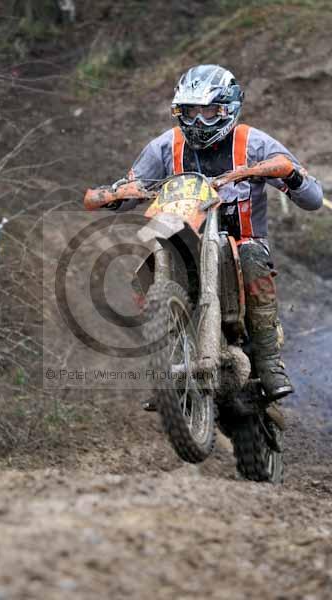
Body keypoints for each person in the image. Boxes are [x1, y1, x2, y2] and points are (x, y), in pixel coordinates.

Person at [109, 64, 323, 405]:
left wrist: (293, 176)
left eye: (208, 112)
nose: (198, 121)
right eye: (190, 112)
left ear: (227, 109)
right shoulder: (166, 146)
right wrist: (115, 194)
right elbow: (130, 190)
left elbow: (312, 200)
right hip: (185, 241)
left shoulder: (253, 143)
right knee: (146, 270)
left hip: (244, 242)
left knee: (252, 258)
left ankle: (269, 361)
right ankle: (165, 365)